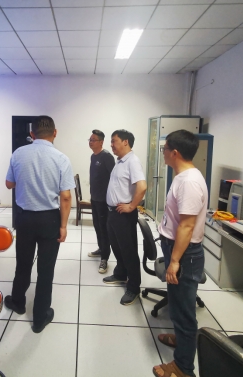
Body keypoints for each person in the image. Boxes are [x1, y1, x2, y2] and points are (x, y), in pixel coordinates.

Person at [4, 115, 74, 333]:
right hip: (49, 219)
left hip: (24, 218)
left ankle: (18, 302)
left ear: (32, 134)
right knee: (46, 269)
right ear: (55, 133)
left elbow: (9, 184)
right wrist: (63, 226)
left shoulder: (18, 153)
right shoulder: (61, 158)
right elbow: (65, 197)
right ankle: (40, 317)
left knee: (23, 263)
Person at [152, 130, 208, 377]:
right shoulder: (183, 177)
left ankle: (183, 368)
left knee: (183, 312)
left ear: (174, 153)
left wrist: (174, 261)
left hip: (184, 254)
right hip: (177, 248)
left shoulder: (189, 182)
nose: (163, 152)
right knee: (177, 304)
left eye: (164, 149)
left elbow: (186, 226)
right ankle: (182, 341)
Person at [102, 129, 146, 305]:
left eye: (114, 141)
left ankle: (134, 287)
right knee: (117, 247)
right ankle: (121, 274)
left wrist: (132, 206)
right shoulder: (120, 161)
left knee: (128, 251)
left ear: (125, 142)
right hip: (113, 213)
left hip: (123, 215)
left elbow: (142, 186)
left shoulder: (132, 161)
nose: (111, 144)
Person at [87, 129, 115, 274]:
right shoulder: (93, 157)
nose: (90, 142)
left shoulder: (107, 157)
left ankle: (105, 258)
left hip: (104, 201)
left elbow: (114, 178)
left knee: (104, 229)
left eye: (93, 140)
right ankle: (101, 248)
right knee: (97, 226)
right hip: (95, 198)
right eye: (90, 140)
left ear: (101, 142)